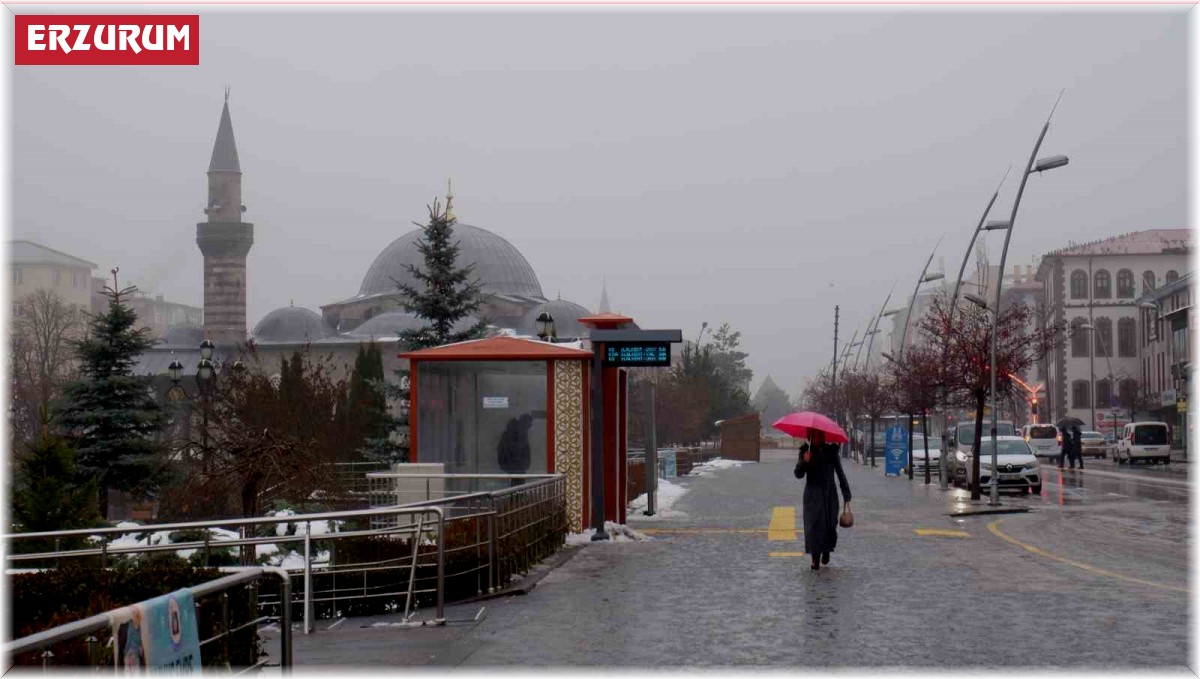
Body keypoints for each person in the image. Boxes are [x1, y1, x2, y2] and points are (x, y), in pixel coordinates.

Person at [793, 432, 852, 571]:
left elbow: (840, 473)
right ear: (810, 437)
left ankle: (826, 550)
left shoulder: (831, 452)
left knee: (830, 525)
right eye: (815, 436)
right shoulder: (805, 452)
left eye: (820, 436)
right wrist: (804, 461)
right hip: (812, 496)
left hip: (829, 494)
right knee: (813, 527)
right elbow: (798, 474)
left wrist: (846, 493)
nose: (818, 439)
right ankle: (815, 558)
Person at [498, 413, 533, 486]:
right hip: (514, 467)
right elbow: (513, 450)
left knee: (516, 489)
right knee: (516, 488)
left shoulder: (521, 434)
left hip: (515, 467)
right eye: (529, 424)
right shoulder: (517, 435)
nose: (530, 427)